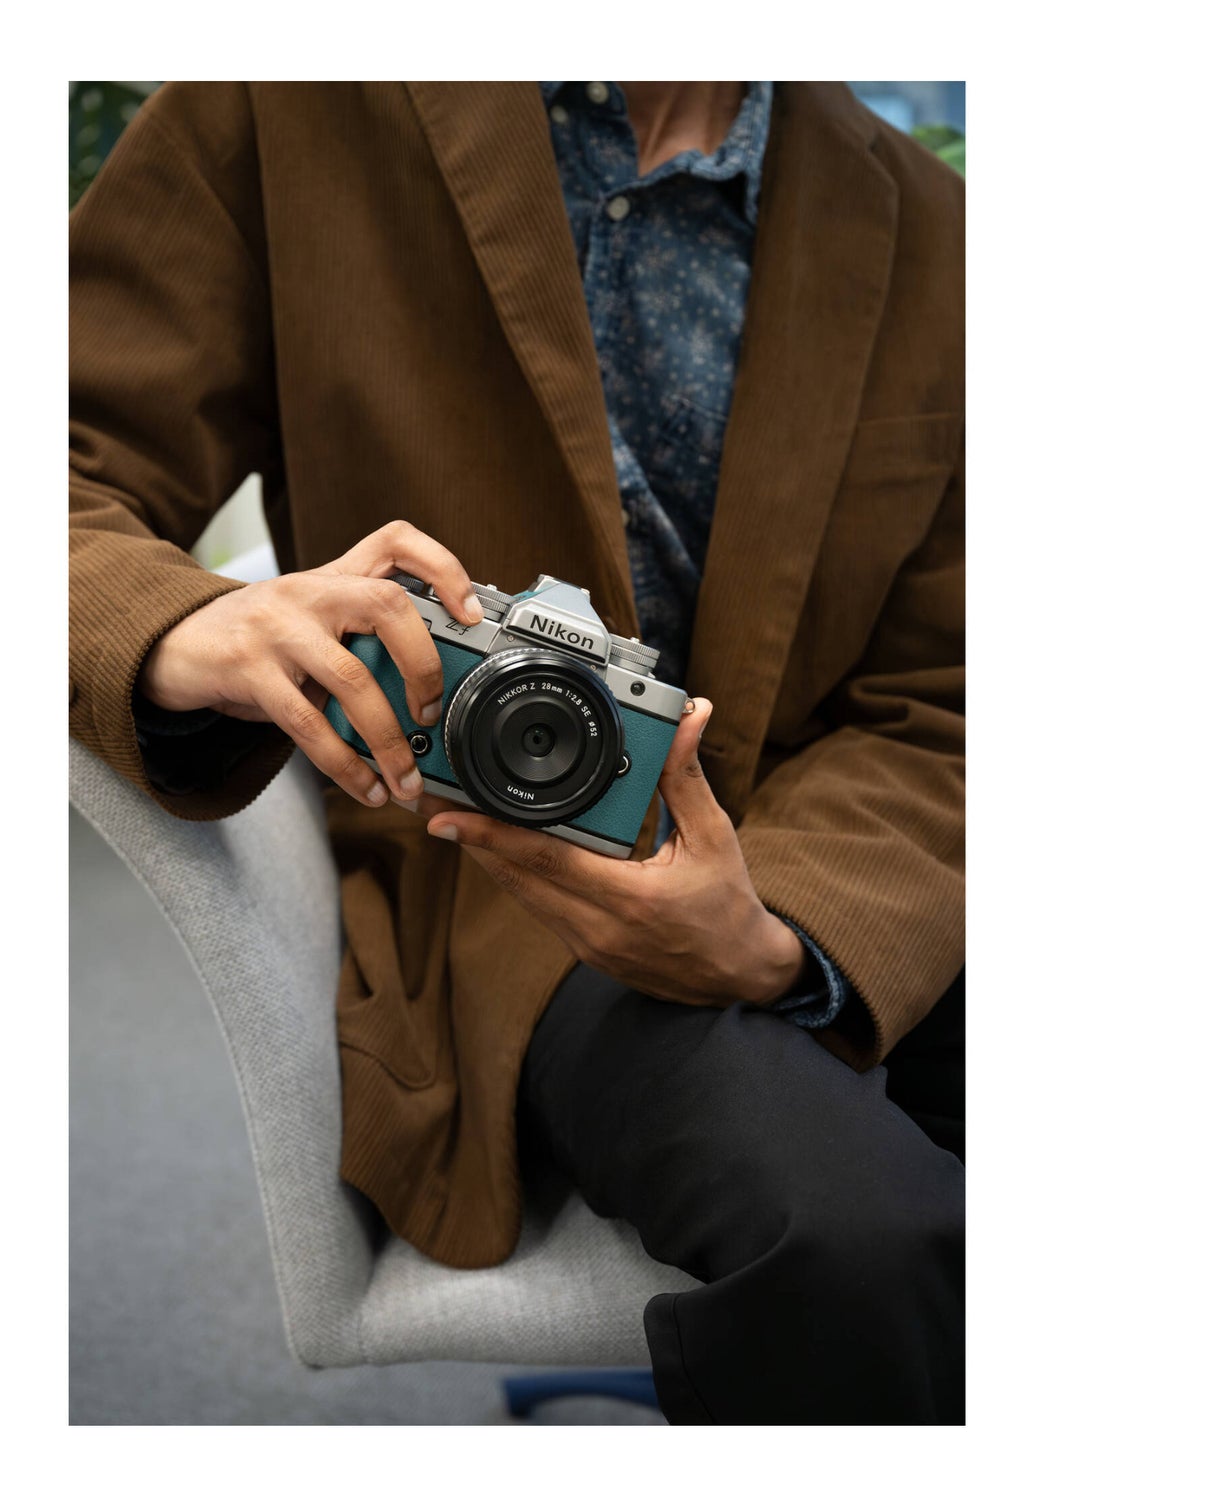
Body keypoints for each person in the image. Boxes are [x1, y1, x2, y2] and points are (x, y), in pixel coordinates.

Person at [69, 81, 965, 1423]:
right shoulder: (292, 99)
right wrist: (182, 623)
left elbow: (947, 688)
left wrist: (785, 936)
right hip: (510, 892)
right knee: (861, 1244)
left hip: (872, 850)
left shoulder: (936, 227)